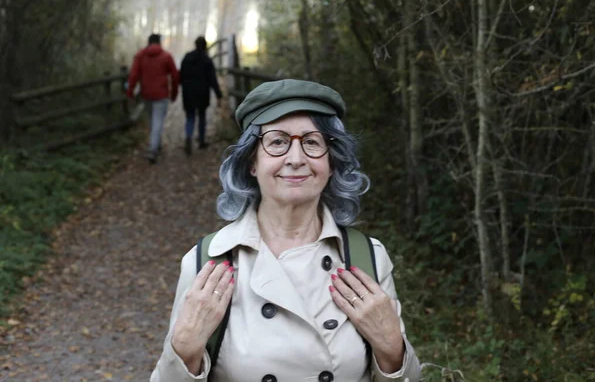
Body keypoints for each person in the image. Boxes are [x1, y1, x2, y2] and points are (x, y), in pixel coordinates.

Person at [150, 79, 421, 381]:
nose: (296, 159)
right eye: (278, 142)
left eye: (312, 142)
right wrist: (185, 349)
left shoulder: (368, 258)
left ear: (332, 162)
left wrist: (392, 349)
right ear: (252, 161)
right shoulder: (206, 262)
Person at [127, 33, 179, 163]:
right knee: (157, 122)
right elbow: (175, 76)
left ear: (148, 42)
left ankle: (156, 145)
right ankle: (153, 149)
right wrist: (174, 94)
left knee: (152, 121)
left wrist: (130, 91)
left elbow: (133, 75)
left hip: (146, 94)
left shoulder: (140, 56)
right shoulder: (166, 56)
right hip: (161, 95)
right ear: (159, 42)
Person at [179, 36, 223, 154]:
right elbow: (212, 79)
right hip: (202, 93)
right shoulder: (207, 60)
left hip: (188, 92)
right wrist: (219, 95)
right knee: (202, 116)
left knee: (190, 116)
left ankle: (188, 136)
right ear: (205, 46)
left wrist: (183, 86)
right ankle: (201, 140)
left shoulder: (187, 57)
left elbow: (181, 75)